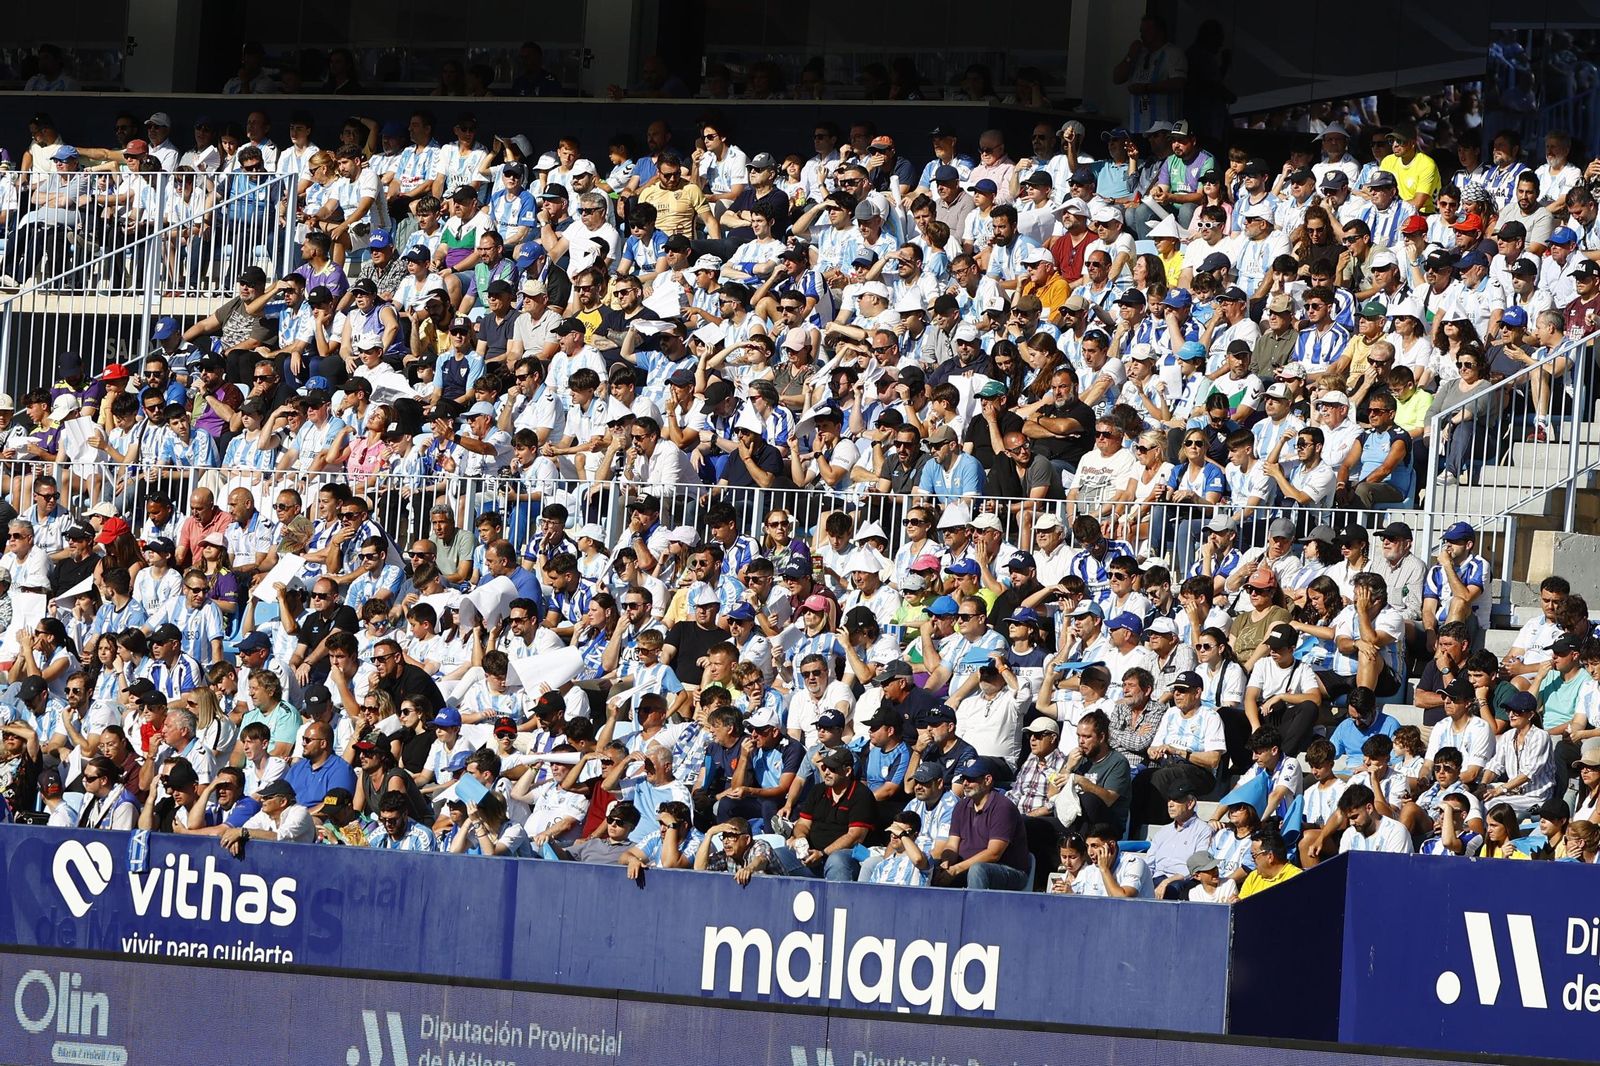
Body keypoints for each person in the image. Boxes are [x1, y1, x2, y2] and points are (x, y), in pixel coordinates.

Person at [934, 756, 1031, 890]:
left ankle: (975, 910)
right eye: (964, 779)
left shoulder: (1003, 807)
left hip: (1008, 871)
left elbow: (993, 853)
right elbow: (952, 844)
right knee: (933, 867)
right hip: (965, 868)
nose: (965, 784)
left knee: (978, 870)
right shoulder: (960, 806)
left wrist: (957, 869)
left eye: (971, 779)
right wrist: (946, 863)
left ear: (987, 780)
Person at [1238, 826, 1302, 898]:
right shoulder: (1253, 876)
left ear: (1270, 856)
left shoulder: (1296, 879)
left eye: (1254, 855)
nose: (1252, 860)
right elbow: (1242, 904)